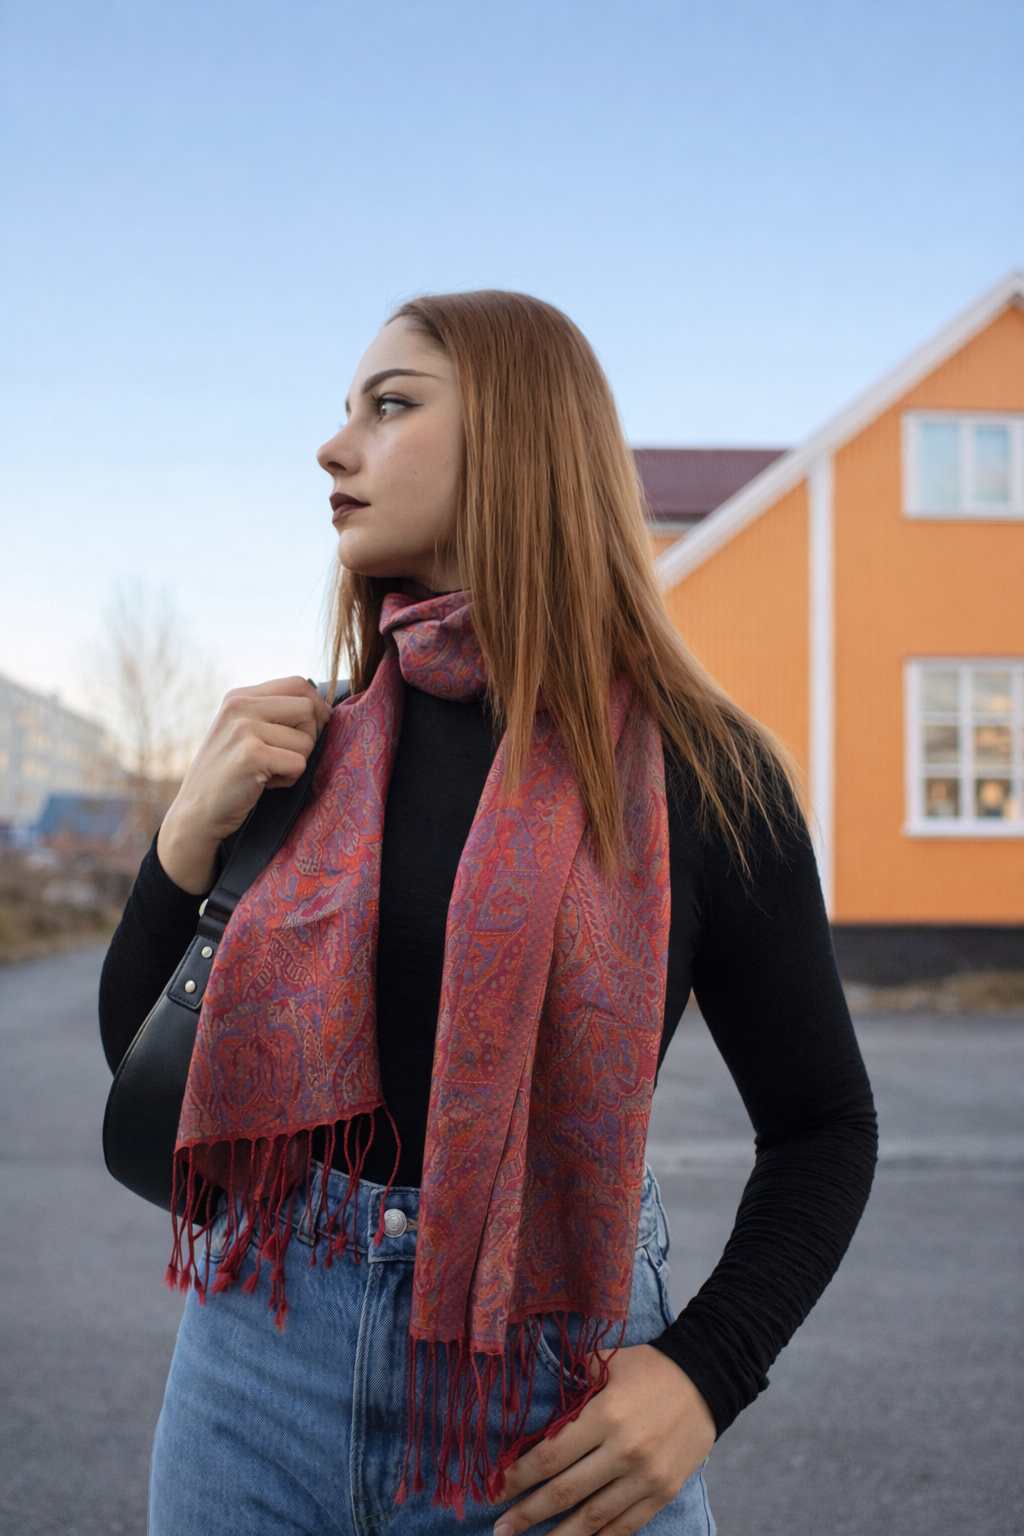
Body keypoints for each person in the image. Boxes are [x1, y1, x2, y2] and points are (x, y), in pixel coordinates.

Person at [100, 290, 877, 1536]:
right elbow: (145, 1064)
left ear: (521, 441)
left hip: (546, 1411)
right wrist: (182, 838)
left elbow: (824, 1125)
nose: (332, 445)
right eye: (343, 410)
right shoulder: (307, 749)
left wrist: (703, 1374)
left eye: (389, 405)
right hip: (255, 1375)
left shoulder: (701, 774)